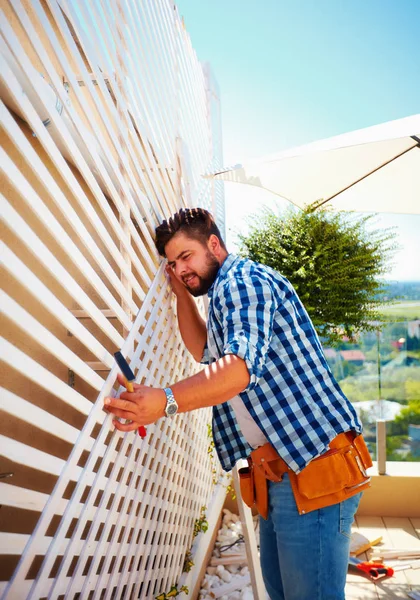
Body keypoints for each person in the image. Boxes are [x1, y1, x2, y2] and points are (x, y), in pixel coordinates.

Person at [104, 207, 372, 600]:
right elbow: (203, 351)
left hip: (312, 468)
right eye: (173, 264)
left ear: (214, 244)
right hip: (282, 473)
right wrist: (181, 293)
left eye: (186, 257)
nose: (180, 269)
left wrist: (164, 401)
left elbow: (237, 370)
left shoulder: (243, 283)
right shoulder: (223, 294)